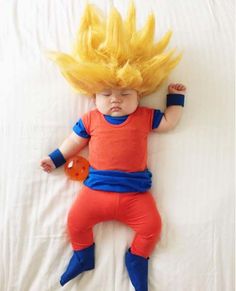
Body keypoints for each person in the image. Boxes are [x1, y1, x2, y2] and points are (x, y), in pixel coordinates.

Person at [40, 2, 186, 290]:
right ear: (93, 95)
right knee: (76, 221)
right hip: (95, 191)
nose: (115, 99)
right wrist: (55, 159)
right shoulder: (91, 119)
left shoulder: (144, 116)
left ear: (140, 93)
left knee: (152, 228)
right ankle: (83, 255)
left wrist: (175, 100)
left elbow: (169, 123)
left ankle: (137, 258)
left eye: (125, 93)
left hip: (135, 195)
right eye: (106, 93)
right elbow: (74, 142)